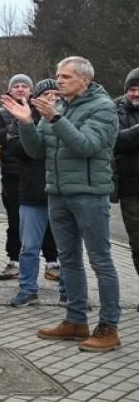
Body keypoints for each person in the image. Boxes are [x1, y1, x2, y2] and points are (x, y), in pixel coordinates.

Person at [7, 56, 120, 353]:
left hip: (89, 194)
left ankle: (109, 326)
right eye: (58, 75)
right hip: (57, 193)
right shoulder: (58, 107)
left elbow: (86, 146)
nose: (59, 81)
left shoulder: (103, 108)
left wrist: (56, 119)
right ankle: (75, 319)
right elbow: (35, 151)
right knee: (68, 260)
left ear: (85, 79)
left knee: (101, 260)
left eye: (66, 76)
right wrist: (27, 123)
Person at [5, 80, 58, 308]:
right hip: (32, 193)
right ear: (36, 98)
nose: (51, 98)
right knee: (29, 247)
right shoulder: (23, 118)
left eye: (55, 93)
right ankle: (27, 289)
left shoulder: (64, 119)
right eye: (46, 94)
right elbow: (16, 148)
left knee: (66, 249)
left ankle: (69, 291)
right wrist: (29, 125)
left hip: (59, 193)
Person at [0, 74, 36, 280]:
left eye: (24, 86)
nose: (20, 89)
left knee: (43, 219)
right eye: (16, 86)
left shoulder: (38, 110)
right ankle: (14, 261)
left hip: (34, 173)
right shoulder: (1, 113)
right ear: (9, 90)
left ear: (30, 90)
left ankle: (53, 261)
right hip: (11, 173)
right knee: (14, 219)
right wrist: (17, 123)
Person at [113, 66, 139, 280]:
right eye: (132, 89)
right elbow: (115, 141)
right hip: (132, 191)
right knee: (137, 243)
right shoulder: (116, 110)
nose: (136, 93)